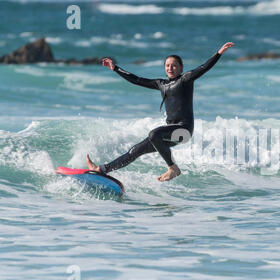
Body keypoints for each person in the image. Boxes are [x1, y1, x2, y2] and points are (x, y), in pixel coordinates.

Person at [86, 42, 234, 181]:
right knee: (135, 150)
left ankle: (173, 168)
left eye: (174, 66)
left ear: (181, 68)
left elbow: (203, 67)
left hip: (184, 130)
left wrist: (219, 53)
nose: (170, 68)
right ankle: (102, 169)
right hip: (170, 133)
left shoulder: (186, 80)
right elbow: (137, 79)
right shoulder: (161, 84)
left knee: (153, 134)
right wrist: (115, 68)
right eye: (168, 65)